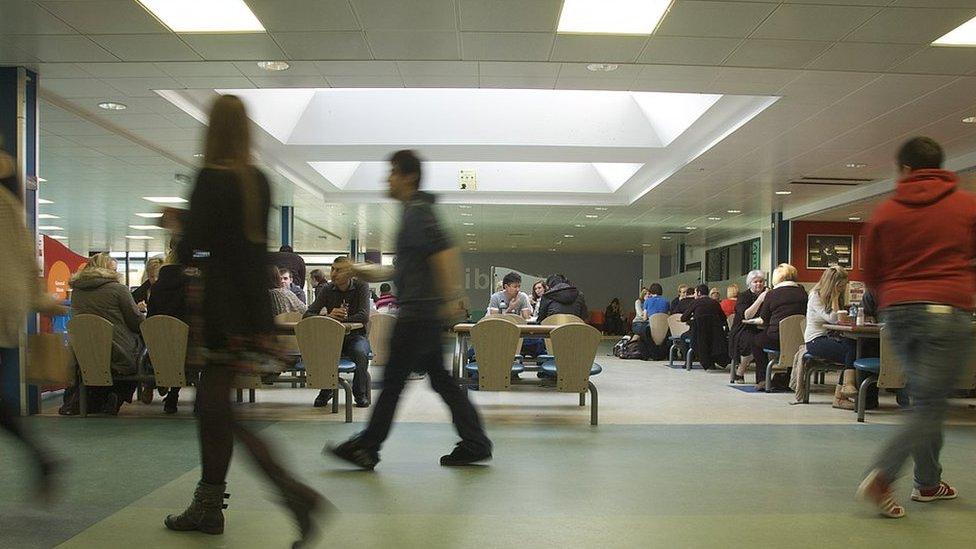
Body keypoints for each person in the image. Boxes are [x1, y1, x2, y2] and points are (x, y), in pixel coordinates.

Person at [166, 94, 325, 545]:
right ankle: (208, 506)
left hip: (218, 312)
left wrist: (179, 224)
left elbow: (193, 250)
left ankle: (294, 494)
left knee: (220, 412)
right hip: (251, 312)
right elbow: (252, 252)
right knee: (214, 412)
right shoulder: (257, 180)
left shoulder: (210, 179)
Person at [329, 149, 492, 469]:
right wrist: (358, 270)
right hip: (421, 315)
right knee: (438, 382)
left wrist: (447, 300)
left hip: (418, 316)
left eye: (391, 172)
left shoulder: (418, 212)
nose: (386, 178)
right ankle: (475, 441)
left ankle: (368, 446)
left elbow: (445, 253)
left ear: (409, 176)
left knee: (394, 383)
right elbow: (395, 271)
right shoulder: (412, 214)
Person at [856, 137, 976, 518]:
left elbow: (870, 272)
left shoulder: (886, 212)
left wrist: (896, 291)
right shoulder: (967, 205)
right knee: (930, 403)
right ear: (941, 166)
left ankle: (927, 483)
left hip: (900, 313)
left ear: (905, 169)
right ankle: (882, 476)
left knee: (926, 400)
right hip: (947, 310)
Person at [0, 145, 65, 501]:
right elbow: (26, 261)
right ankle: (40, 457)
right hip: (7, 312)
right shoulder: (12, 204)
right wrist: (42, 301)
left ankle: (40, 457)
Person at [62, 252, 143, 415]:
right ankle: (118, 395)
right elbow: (136, 322)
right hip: (117, 352)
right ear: (107, 270)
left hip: (86, 353)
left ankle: (98, 399)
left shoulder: (77, 291)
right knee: (140, 355)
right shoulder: (119, 289)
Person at [305, 256, 372, 408]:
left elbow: (364, 316)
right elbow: (307, 315)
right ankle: (326, 389)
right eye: (332, 269)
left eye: (339, 270)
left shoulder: (361, 286)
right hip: (333, 338)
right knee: (323, 352)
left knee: (361, 353)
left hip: (356, 337)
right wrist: (328, 316)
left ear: (350, 273)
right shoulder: (327, 289)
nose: (333, 274)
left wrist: (340, 319)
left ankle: (359, 393)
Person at [803, 266, 858, 410]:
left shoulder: (834, 296)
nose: (842, 289)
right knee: (851, 352)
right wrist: (834, 297)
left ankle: (843, 392)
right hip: (815, 340)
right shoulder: (815, 295)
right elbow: (834, 319)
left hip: (830, 337)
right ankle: (841, 395)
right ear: (832, 284)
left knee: (854, 347)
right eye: (840, 286)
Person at [147, 248, 191, 414]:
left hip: (160, 345)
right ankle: (174, 394)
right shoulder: (191, 284)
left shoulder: (156, 288)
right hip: (187, 343)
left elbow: (150, 318)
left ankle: (153, 382)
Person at [751, 263, 807, 390]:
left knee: (755, 341)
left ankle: (762, 379)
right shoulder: (803, 293)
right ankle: (788, 377)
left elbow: (764, 318)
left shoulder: (772, 294)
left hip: (776, 338)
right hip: (799, 339)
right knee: (793, 348)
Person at [680, 284, 729, 369]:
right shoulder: (715, 303)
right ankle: (711, 361)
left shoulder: (695, 303)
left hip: (699, 334)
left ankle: (687, 361)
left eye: (695, 292)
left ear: (699, 293)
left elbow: (683, 318)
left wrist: (693, 318)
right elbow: (723, 318)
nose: (694, 294)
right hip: (714, 335)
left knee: (683, 337)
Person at [729, 271, 766, 383]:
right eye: (755, 282)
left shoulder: (768, 295)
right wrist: (760, 300)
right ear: (749, 284)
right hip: (743, 328)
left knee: (765, 339)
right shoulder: (743, 296)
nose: (758, 284)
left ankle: (763, 379)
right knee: (751, 341)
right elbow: (747, 315)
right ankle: (740, 370)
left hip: (762, 327)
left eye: (761, 281)